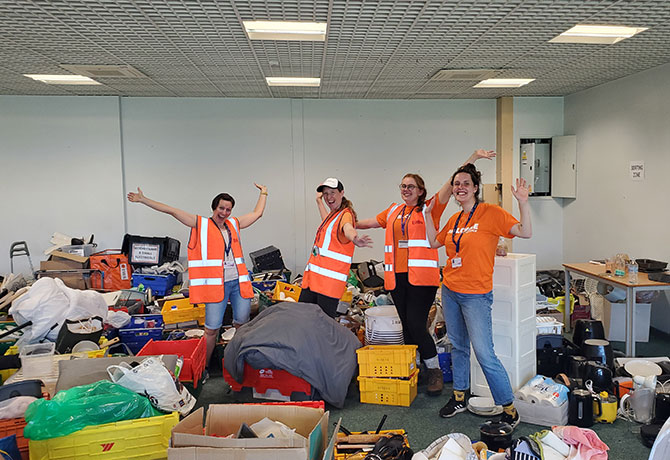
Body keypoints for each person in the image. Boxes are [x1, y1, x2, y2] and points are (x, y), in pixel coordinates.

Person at [357, 150, 495, 396]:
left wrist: (472, 158)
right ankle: (416, 368)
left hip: (422, 279)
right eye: (403, 186)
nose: (406, 190)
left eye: (411, 186)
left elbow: (452, 182)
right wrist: (344, 221)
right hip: (397, 278)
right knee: (407, 329)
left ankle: (434, 371)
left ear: (421, 190)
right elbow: (367, 222)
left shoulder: (430, 208)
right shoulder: (392, 211)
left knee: (416, 324)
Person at [424, 163, 532, 428]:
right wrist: (427, 215)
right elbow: (434, 242)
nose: (460, 188)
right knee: (458, 347)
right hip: (450, 290)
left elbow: (525, 232)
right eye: (456, 184)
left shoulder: (490, 213)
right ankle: (459, 396)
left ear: (475, 188)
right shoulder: (454, 219)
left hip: (476, 296)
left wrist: (522, 203)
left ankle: (508, 408)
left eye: (465, 184)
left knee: (484, 353)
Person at [127, 184, 268, 381]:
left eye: (228, 209)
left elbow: (257, 213)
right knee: (211, 330)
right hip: (215, 286)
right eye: (221, 208)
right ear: (214, 208)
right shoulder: (200, 224)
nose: (224, 212)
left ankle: (239, 366)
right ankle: (205, 367)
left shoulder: (234, 224)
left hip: (238, 283)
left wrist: (263, 193)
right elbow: (172, 211)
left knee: (241, 326)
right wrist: (143, 200)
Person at [299, 178, 373, 318]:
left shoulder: (345, 214)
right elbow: (326, 223)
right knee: (304, 317)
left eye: (332, 192)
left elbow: (348, 228)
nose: (329, 197)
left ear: (342, 193)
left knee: (323, 323)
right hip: (314, 281)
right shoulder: (334, 215)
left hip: (328, 285)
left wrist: (355, 238)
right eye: (326, 194)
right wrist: (319, 201)